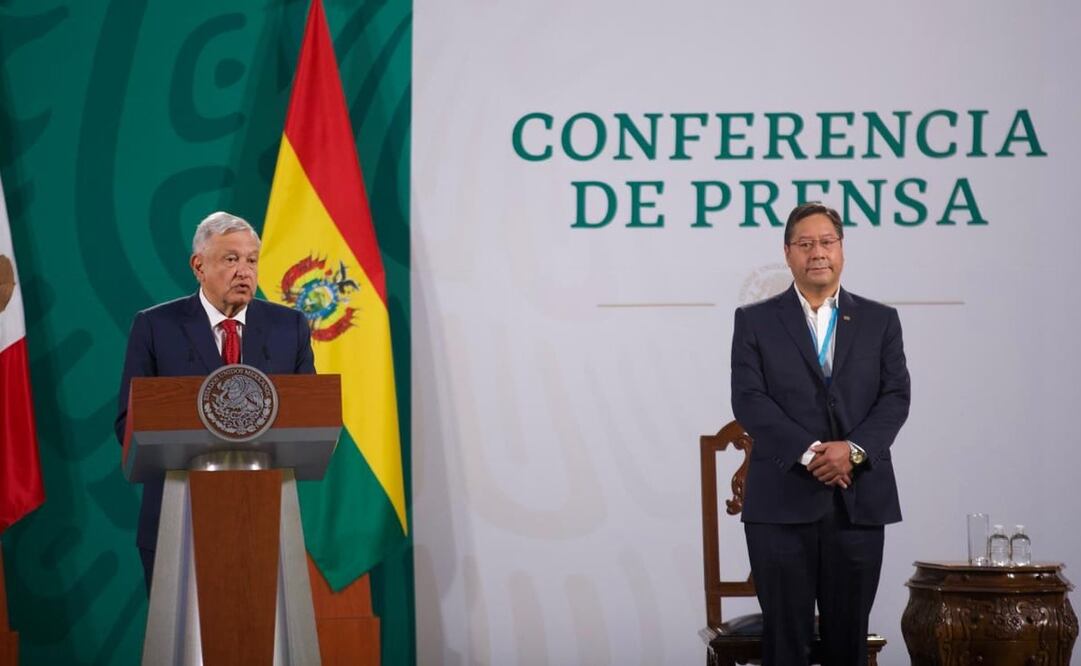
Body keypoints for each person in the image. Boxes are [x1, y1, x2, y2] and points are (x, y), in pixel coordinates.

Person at [730, 202, 910, 665]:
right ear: (787, 253)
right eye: (805, 243)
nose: (818, 252)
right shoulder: (755, 320)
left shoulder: (880, 320)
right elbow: (749, 400)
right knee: (786, 643)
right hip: (781, 504)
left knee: (847, 643)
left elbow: (895, 398)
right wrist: (811, 454)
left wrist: (851, 450)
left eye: (827, 241)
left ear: (842, 250)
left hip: (858, 502)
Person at [115, 211, 315, 593]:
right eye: (230, 259)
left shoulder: (289, 327)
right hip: (176, 517)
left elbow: (308, 418)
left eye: (251, 260)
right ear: (198, 266)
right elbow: (128, 423)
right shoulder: (155, 326)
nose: (244, 271)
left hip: (262, 517)